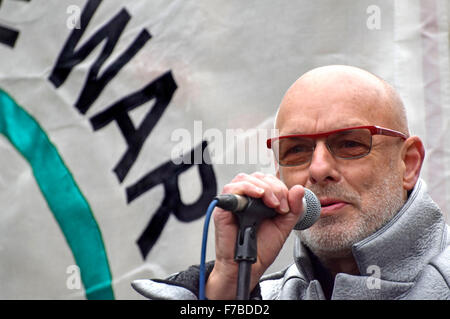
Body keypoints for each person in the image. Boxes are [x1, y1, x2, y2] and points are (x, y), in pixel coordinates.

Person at [132, 65, 450, 300]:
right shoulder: (254, 294)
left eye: (351, 143)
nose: (319, 168)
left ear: (408, 163)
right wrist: (228, 286)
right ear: (277, 172)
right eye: (296, 149)